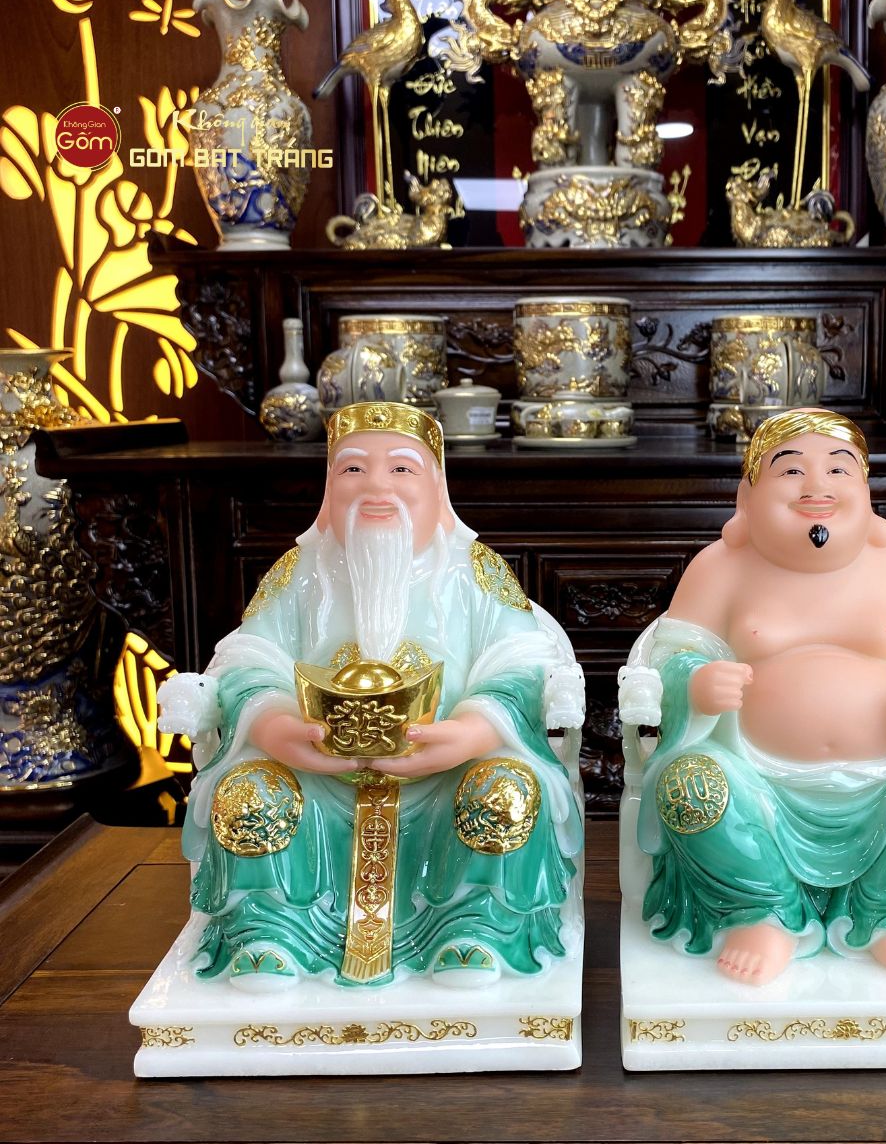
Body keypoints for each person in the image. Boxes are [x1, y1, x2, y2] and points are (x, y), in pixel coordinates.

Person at [159, 401, 584, 989]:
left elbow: (524, 661)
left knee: (506, 789)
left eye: (402, 469)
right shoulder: (299, 572)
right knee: (249, 791)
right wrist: (274, 725)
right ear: (328, 489)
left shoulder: (474, 571)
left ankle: (479, 927)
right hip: (316, 774)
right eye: (353, 469)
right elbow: (246, 659)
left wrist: (472, 731)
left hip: (446, 774)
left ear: (437, 488)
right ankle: (272, 931)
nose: (376, 487)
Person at [619, 408, 886, 985]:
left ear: (867, 495)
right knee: (688, 787)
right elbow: (665, 661)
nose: (817, 487)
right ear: (747, 497)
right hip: (754, 779)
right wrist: (694, 683)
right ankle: (762, 911)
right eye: (791, 471)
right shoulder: (720, 569)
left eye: (840, 470)